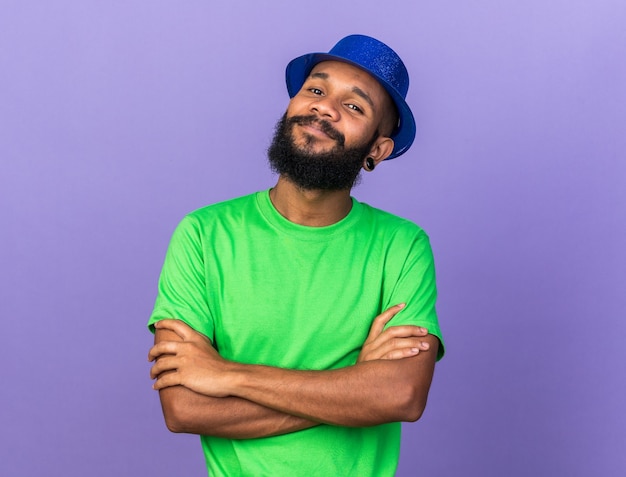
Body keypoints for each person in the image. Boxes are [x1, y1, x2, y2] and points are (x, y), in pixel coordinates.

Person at [147, 34, 445, 477]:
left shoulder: (401, 247)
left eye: (354, 107)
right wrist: (355, 388)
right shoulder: (203, 235)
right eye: (316, 90)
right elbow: (184, 408)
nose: (325, 108)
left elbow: (401, 396)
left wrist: (228, 376)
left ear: (377, 151)